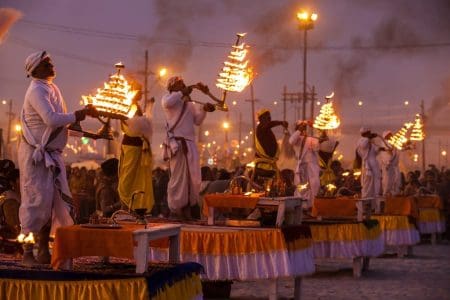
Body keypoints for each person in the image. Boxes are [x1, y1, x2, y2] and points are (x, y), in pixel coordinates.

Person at [18, 51, 94, 266]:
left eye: (50, 61)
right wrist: (78, 115)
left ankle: (44, 250)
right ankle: (27, 253)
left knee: (50, 203)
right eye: (46, 63)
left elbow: (60, 122)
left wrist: (83, 129)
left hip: (52, 156)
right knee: (34, 202)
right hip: (36, 157)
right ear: (35, 70)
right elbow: (51, 119)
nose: (51, 65)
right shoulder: (36, 90)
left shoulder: (51, 88)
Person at [161, 76, 214, 219]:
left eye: (183, 83)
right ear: (172, 87)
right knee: (178, 179)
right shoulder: (168, 99)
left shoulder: (189, 104)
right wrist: (183, 92)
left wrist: (204, 109)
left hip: (190, 145)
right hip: (177, 145)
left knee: (193, 178)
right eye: (179, 84)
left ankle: (188, 208)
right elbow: (168, 102)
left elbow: (197, 121)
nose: (183, 85)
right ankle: (176, 209)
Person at [118, 85, 154, 213]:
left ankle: (133, 206)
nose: (142, 93)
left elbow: (142, 123)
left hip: (138, 145)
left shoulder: (135, 105)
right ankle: (124, 205)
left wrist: (149, 107)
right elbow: (132, 123)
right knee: (127, 176)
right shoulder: (129, 105)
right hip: (131, 145)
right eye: (139, 90)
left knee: (137, 177)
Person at [289, 120, 320, 208]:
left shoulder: (310, 138)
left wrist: (319, 132)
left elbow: (316, 148)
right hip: (302, 166)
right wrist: (299, 130)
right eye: (301, 127)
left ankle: (313, 207)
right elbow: (291, 141)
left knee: (315, 186)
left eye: (304, 127)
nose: (304, 129)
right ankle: (301, 208)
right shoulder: (296, 138)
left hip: (312, 166)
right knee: (302, 188)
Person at [254, 109, 288, 182]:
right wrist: (280, 123)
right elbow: (269, 124)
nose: (269, 118)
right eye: (267, 117)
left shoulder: (267, 129)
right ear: (261, 119)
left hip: (270, 163)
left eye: (269, 117)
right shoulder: (261, 128)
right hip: (264, 164)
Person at [356, 127, 382, 199]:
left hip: (374, 162)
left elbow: (375, 150)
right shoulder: (361, 141)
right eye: (368, 133)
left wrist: (379, 149)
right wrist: (369, 138)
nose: (370, 134)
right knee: (368, 180)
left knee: (377, 178)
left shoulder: (370, 141)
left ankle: (375, 194)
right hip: (367, 163)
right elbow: (363, 145)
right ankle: (366, 196)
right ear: (365, 133)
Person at [379, 131, 401, 196]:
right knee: (387, 181)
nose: (391, 136)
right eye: (389, 135)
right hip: (388, 166)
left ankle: (393, 194)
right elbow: (386, 156)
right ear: (385, 137)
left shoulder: (394, 143)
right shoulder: (385, 144)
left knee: (396, 181)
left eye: (391, 134)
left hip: (394, 166)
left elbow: (398, 150)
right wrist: (388, 163)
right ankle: (386, 194)